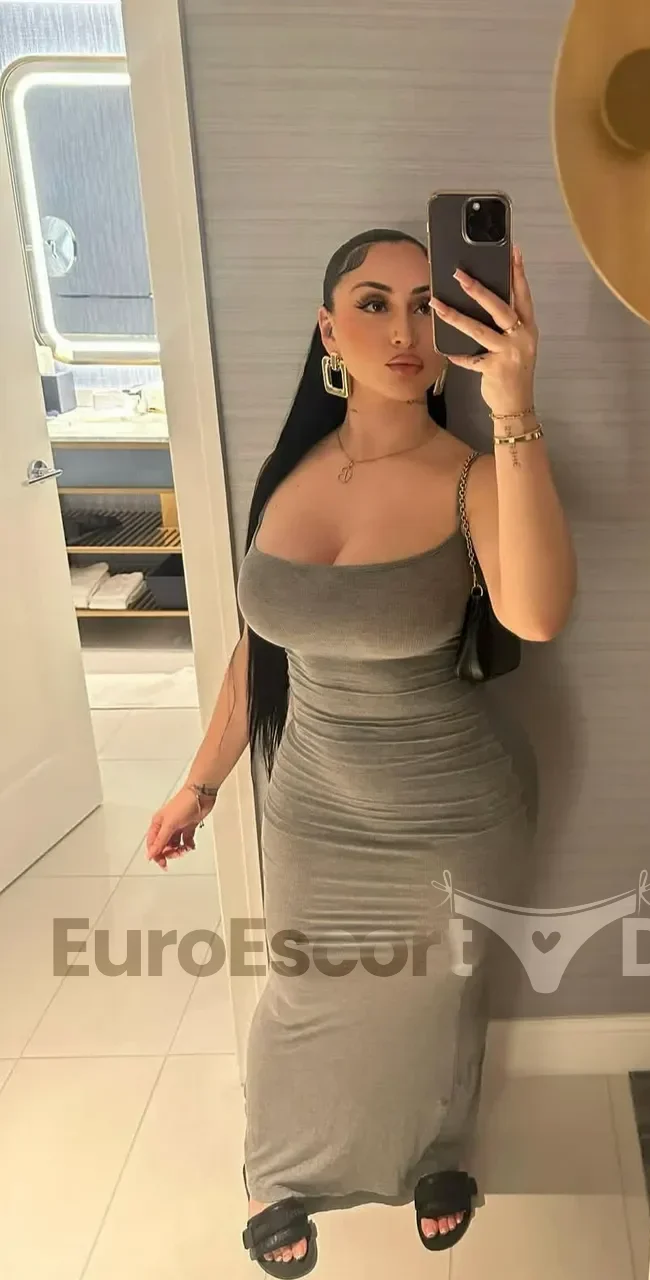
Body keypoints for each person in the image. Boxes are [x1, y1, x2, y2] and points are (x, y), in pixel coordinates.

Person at [144, 227, 575, 1274]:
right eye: (373, 302)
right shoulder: (286, 471)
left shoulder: (475, 476)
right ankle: (277, 1172)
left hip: (450, 809)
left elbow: (536, 614)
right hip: (312, 803)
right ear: (327, 329)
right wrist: (201, 780)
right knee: (302, 993)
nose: (402, 330)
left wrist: (514, 407)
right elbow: (261, 651)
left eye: (429, 305)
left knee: (436, 997)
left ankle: (439, 1152)